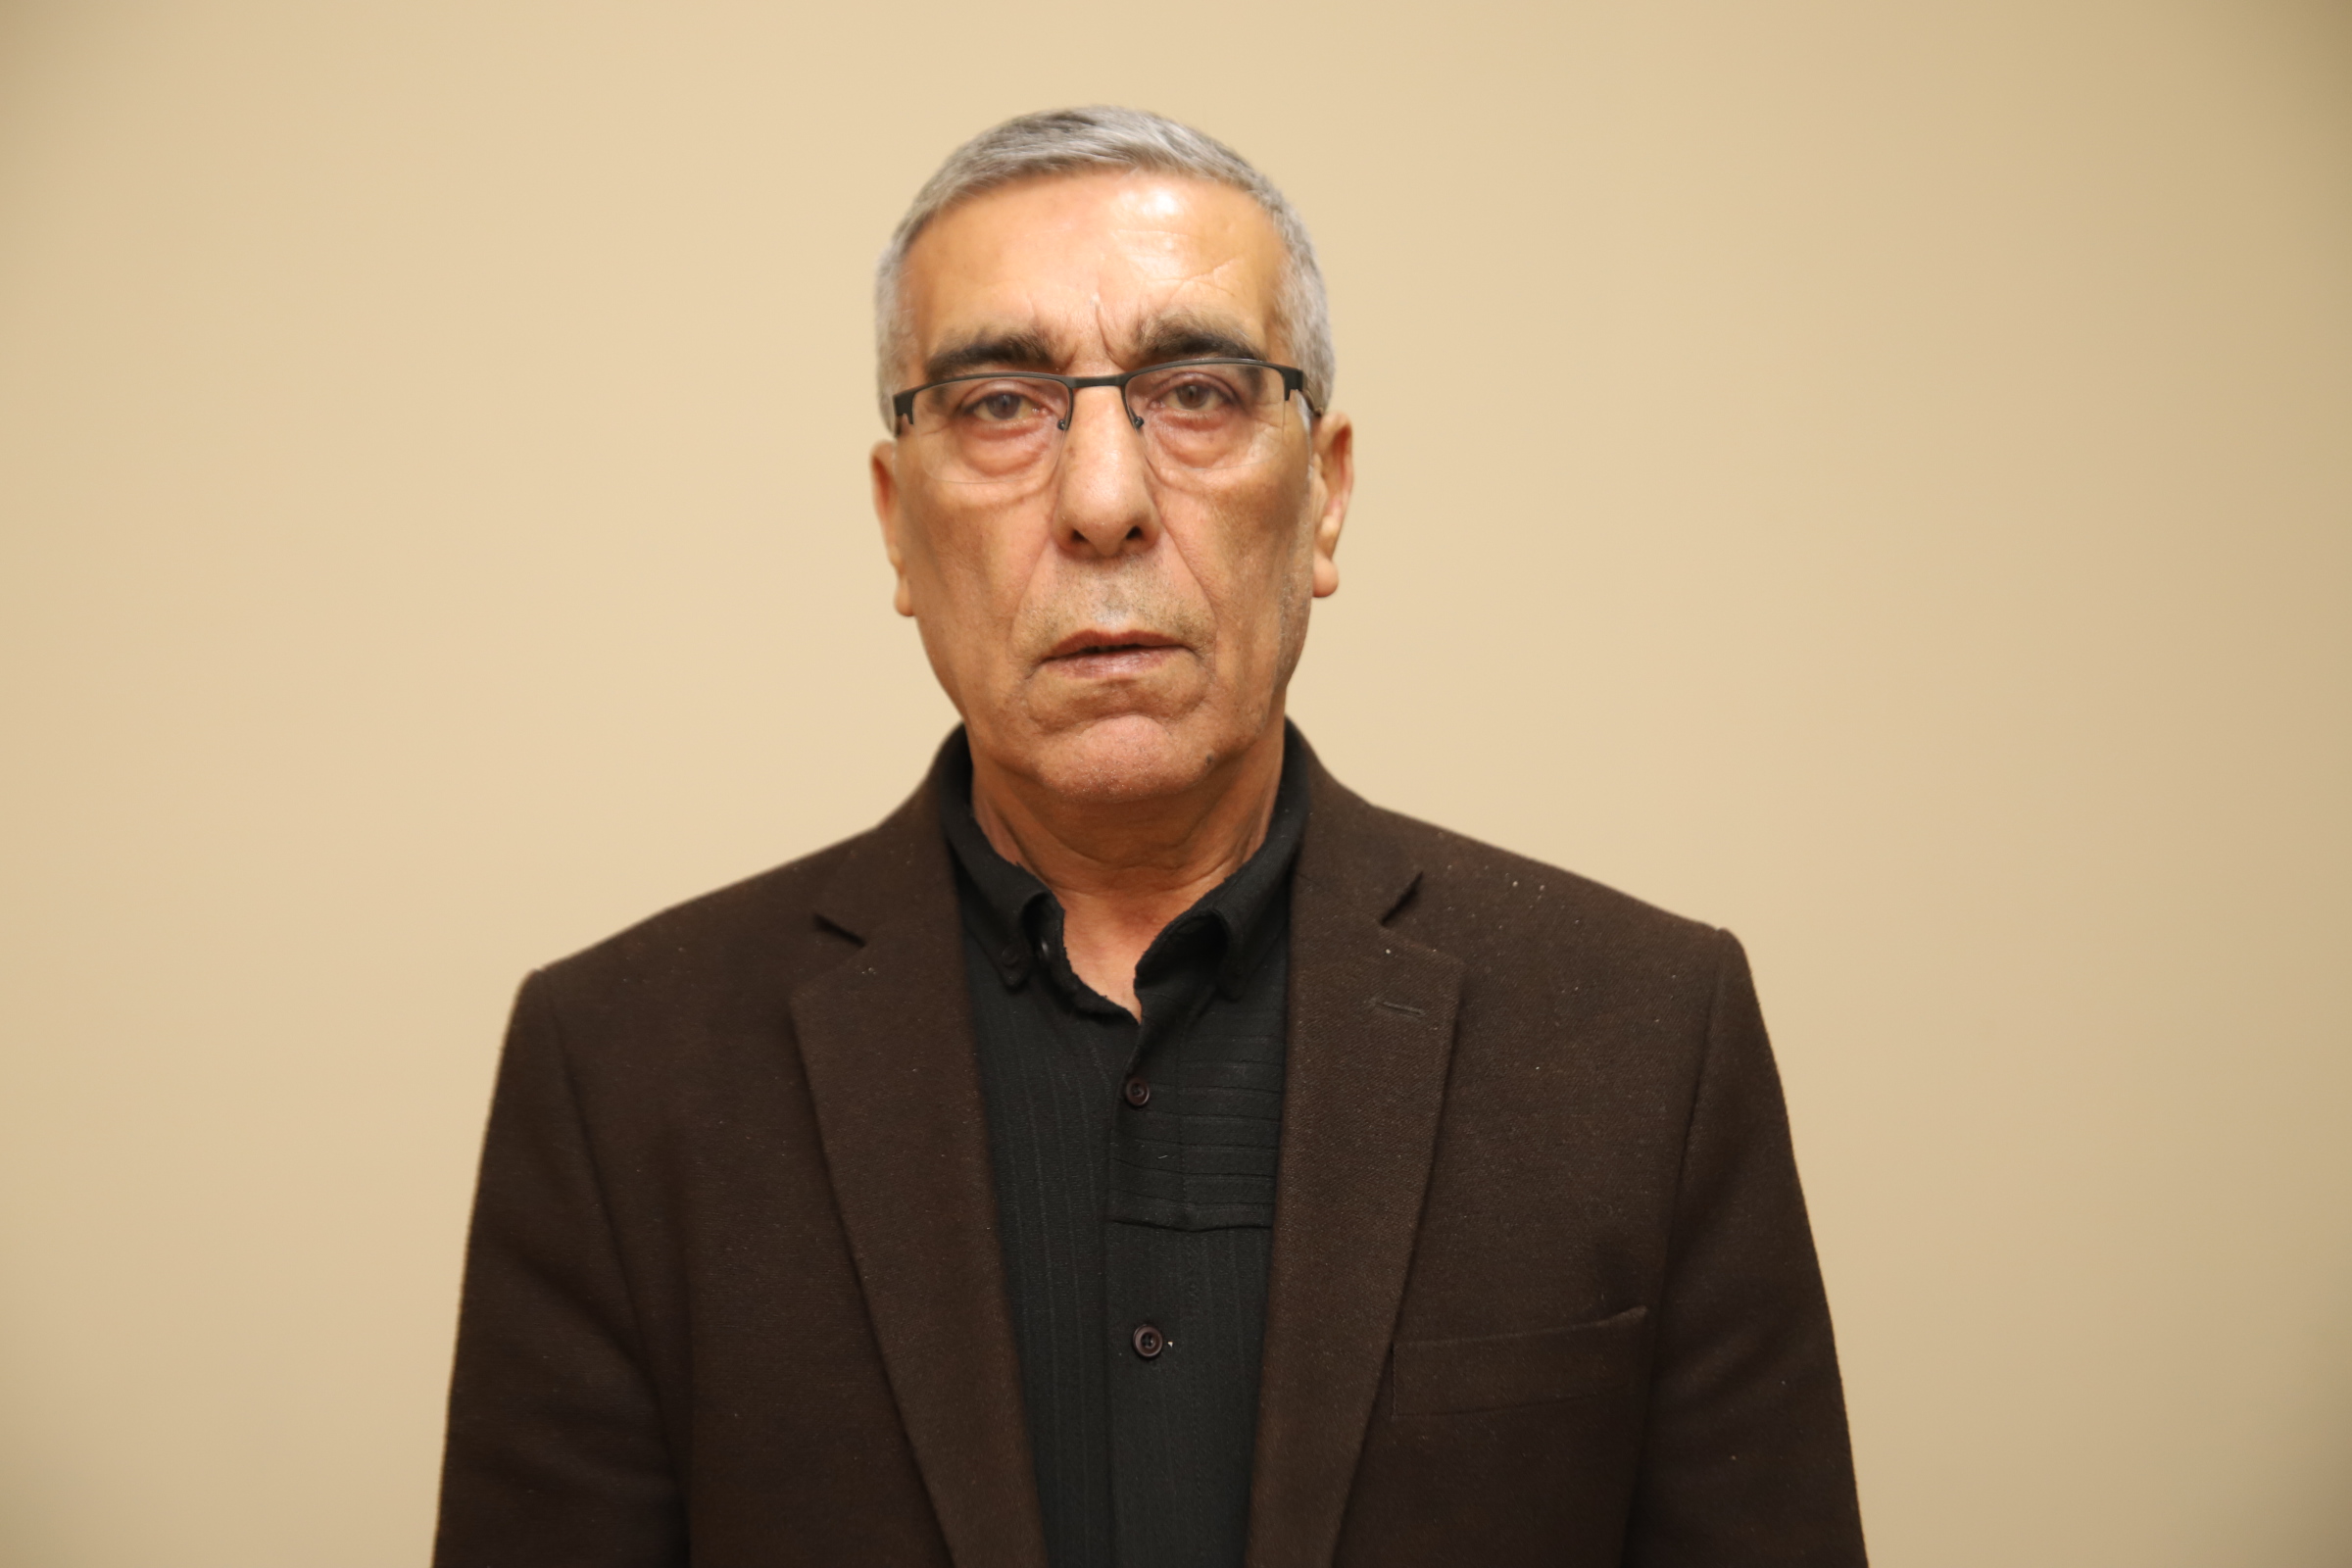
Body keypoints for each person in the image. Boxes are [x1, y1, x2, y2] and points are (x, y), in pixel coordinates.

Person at [432, 106, 1867, 1568]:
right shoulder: (621, 1076)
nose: (1104, 502)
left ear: (1326, 496)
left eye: (1197, 394)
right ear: (897, 524)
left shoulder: (1644, 1038)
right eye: (1001, 404)